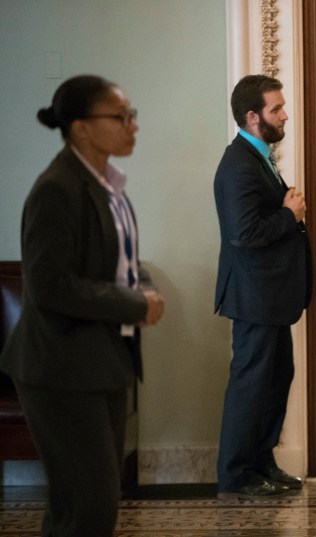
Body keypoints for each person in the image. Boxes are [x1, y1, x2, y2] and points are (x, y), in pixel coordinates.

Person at [0, 75, 165, 537]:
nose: (133, 126)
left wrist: (142, 292)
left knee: (88, 504)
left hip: (102, 360)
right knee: (87, 505)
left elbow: (117, 266)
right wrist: (133, 304)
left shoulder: (109, 186)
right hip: (61, 367)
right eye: (120, 116)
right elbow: (50, 285)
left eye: (132, 115)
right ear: (81, 128)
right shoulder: (57, 188)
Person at [213, 75, 310, 500]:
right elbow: (244, 233)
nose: (284, 114)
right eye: (276, 109)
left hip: (270, 296)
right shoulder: (237, 163)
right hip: (254, 297)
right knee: (251, 385)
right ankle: (236, 475)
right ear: (253, 117)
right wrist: (290, 215)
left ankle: (262, 462)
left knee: (276, 379)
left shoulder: (259, 156)